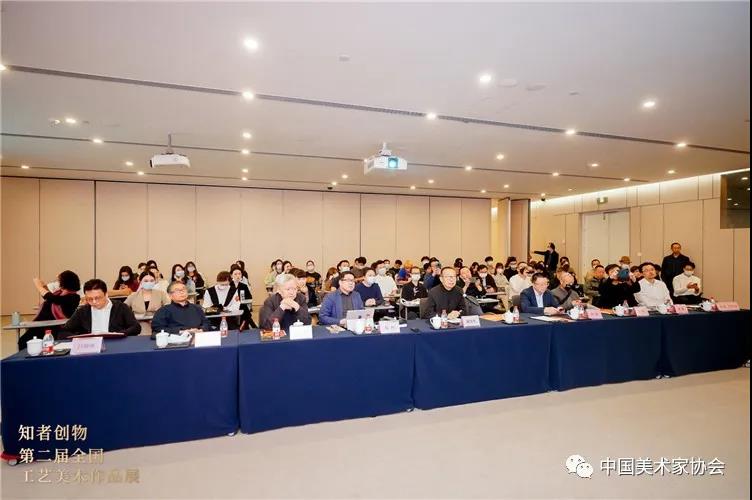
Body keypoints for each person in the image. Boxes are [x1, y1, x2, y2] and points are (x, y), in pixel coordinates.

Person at [18, 271, 82, 350]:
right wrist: (44, 287)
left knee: (26, 342)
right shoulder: (59, 293)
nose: (57, 283)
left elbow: (53, 299)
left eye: (59, 281)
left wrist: (39, 286)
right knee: (23, 341)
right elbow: (50, 297)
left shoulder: (74, 297)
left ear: (65, 282)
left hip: (52, 328)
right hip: (41, 325)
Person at [60, 279, 141, 337]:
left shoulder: (121, 307)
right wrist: (79, 338)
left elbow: (136, 327)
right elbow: (64, 331)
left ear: (106, 294)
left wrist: (120, 334)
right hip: (90, 347)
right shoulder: (82, 311)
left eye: (97, 298)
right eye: (90, 299)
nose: (94, 302)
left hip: (116, 345)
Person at [125, 270, 171, 336]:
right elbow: (123, 308)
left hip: (158, 322)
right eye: (146, 281)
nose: (149, 283)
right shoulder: (133, 295)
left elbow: (168, 307)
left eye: (152, 281)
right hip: (138, 323)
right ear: (140, 281)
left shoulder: (161, 294)